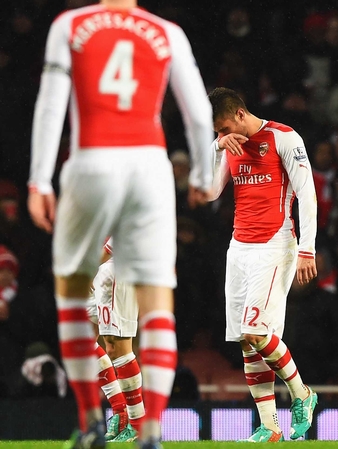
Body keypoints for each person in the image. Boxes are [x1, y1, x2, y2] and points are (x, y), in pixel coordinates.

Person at [27, 1, 214, 447]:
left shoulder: (69, 25)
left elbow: (50, 106)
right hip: (150, 167)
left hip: (92, 160)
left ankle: (92, 420)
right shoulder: (166, 31)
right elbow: (199, 115)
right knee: (156, 305)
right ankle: (150, 431)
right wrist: (204, 175)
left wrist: (38, 180)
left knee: (74, 298)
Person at [208, 87, 319, 443]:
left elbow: (307, 191)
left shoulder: (283, 137)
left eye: (223, 129)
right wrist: (216, 148)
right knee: (246, 339)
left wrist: (308, 248)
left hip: (275, 245)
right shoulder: (227, 147)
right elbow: (210, 193)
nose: (223, 136)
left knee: (257, 332)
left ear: (240, 114)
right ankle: (270, 427)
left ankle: (302, 394)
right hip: (238, 247)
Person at [87, 239, 143, 442]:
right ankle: (120, 413)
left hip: (114, 263)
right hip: (93, 261)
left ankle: (137, 425)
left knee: (117, 346)